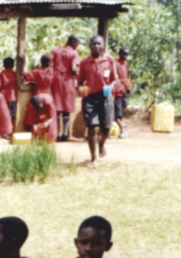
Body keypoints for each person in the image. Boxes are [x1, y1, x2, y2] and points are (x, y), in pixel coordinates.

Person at [77, 35, 117, 168]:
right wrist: (80, 89)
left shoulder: (109, 60)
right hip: (90, 98)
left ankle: (101, 144)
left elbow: (114, 79)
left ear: (103, 46)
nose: (96, 46)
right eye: (93, 44)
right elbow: (79, 81)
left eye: (99, 44)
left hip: (105, 97)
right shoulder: (84, 63)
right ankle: (94, 158)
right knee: (92, 127)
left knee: (106, 128)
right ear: (89, 46)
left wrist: (110, 87)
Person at [51, 35, 80, 141]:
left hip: (56, 81)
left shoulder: (55, 50)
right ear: (73, 41)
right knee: (66, 107)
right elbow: (73, 68)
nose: (77, 46)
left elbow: (49, 63)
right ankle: (65, 133)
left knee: (57, 108)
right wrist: (77, 76)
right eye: (77, 43)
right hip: (67, 82)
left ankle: (57, 133)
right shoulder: (73, 53)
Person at [113, 47, 131, 138]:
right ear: (119, 54)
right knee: (116, 112)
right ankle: (122, 129)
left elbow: (126, 76)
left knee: (122, 108)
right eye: (124, 54)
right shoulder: (116, 64)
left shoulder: (125, 64)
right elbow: (115, 78)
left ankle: (122, 127)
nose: (125, 56)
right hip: (117, 90)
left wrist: (127, 87)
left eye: (127, 54)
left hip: (122, 90)